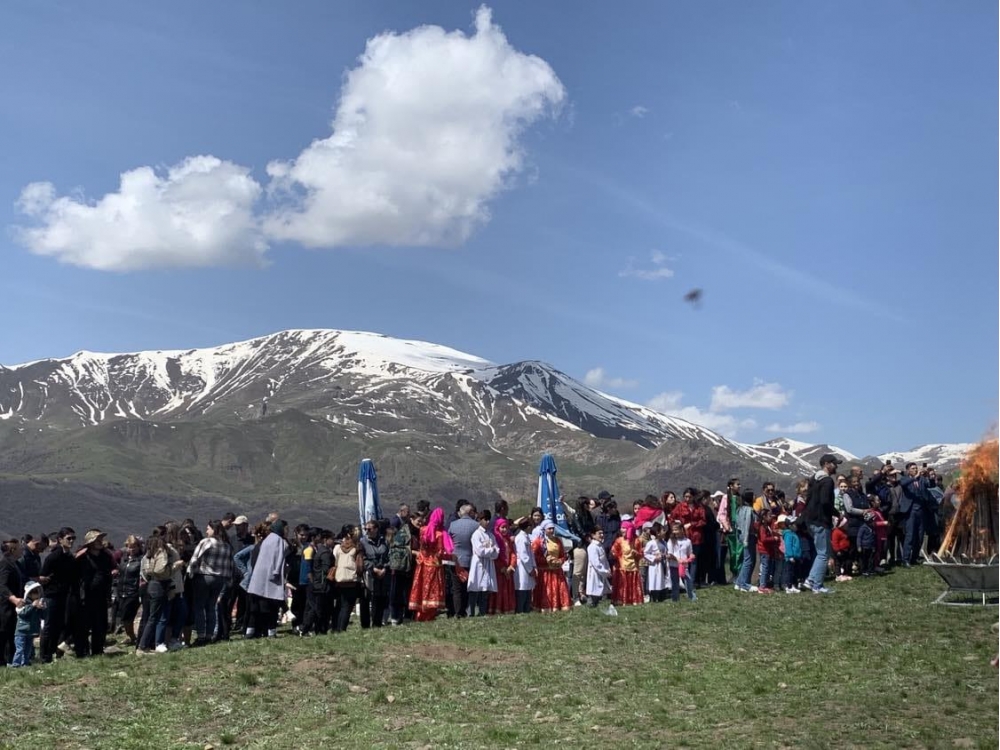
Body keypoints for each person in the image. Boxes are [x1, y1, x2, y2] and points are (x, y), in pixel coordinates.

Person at [186, 520, 233, 646]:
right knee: (211, 607)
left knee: (199, 607)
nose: (206, 531)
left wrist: (190, 573)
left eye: (208, 529)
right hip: (220, 579)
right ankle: (209, 635)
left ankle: (201, 635)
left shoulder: (206, 542)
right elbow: (230, 564)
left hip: (204, 576)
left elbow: (195, 558)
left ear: (213, 529)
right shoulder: (226, 545)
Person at [802, 454, 840, 594]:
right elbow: (825, 502)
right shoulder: (827, 481)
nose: (836, 466)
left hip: (811, 520)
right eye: (834, 464)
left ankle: (812, 580)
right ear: (826, 464)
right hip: (821, 520)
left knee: (820, 552)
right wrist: (836, 513)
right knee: (823, 554)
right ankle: (816, 585)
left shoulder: (814, 479)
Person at [137, 528, 180, 654]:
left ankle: (144, 645)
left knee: (152, 617)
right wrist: (174, 567)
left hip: (151, 584)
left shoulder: (148, 555)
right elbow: (160, 570)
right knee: (154, 617)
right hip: (159, 585)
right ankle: (143, 646)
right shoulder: (161, 552)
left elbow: (145, 572)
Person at [245, 520, 290, 639]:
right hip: (271, 577)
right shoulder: (279, 540)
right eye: (286, 528)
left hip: (259, 577)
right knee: (271, 607)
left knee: (255, 607)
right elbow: (279, 557)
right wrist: (276, 572)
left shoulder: (267, 539)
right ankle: (271, 632)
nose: (287, 531)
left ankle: (250, 631)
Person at [39, 528, 78, 663]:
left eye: (73, 538)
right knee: (49, 626)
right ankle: (44, 656)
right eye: (69, 538)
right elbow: (43, 576)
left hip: (64, 595)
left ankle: (54, 653)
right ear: (60, 540)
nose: (71, 541)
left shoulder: (69, 557)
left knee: (60, 625)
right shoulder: (53, 557)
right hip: (51, 595)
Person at [409, 508, 454, 622]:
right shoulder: (440, 534)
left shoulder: (423, 530)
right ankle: (430, 615)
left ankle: (420, 614)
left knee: (422, 588)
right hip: (434, 565)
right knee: (432, 590)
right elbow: (440, 552)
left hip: (422, 565)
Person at [74, 529, 114, 658]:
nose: (100, 542)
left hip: (101, 595)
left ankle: (98, 650)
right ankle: (83, 651)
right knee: (84, 625)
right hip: (86, 596)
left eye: (101, 539)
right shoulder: (82, 557)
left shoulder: (106, 556)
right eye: (97, 540)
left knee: (100, 624)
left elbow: (111, 571)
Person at [898, 463, 934, 567]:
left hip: (921, 510)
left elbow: (930, 485)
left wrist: (929, 476)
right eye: (913, 468)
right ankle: (905, 559)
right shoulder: (905, 479)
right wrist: (914, 478)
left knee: (920, 535)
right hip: (911, 511)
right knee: (910, 535)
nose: (915, 470)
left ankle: (914, 557)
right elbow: (903, 484)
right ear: (908, 470)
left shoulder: (921, 479)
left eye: (916, 468)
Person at [531, 521, 572, 612]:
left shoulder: (557, 540)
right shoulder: (539, 542)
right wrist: (545, 560)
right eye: (549, 529)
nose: (552, 530)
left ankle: (559, 606)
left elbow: (563, 555)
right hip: (545, 572)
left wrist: (560, 561)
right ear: (544, 530)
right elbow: (533, 556)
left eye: (553, 528)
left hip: (557, 571)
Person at [448, 503, 479, 618]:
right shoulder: (476, 525)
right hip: (470, 559)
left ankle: (457, 611)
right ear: (470, 512)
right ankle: (465, 610)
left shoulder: (453, 524)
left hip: (455, 559)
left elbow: (448, 540)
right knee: (467, 587)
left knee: (456, 588)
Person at [669, 488, 706, 586]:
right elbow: (671, 518)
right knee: (683, 559)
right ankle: (683, 580)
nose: (687, 499)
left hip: (696, 537)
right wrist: (678, 526)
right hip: (683, 536)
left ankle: (691, 581)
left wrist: (692, 524)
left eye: (689, 497)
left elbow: (703, 521)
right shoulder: (680, 507)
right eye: (686, 497)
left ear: (693, 497)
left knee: (693, 560)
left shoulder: (699, 507)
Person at [467, 510, 499, 617]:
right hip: (478, 564)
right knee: (475, 588)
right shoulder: (476, 534)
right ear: (480, 520)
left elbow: (497, 551)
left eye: (489, 519)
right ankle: (471, 612)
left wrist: (491, 552)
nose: (487, 522)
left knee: (485, 589)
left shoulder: (491, 535)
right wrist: (491, 550)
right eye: (485, 519)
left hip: (488, 564)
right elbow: (479, 551)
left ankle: (482, 611)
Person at [302, 529, 334, 635]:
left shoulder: (319, 550)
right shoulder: (324, 552)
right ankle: (309, 628)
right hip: (322, 584)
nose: (333, 541)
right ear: (325, 539)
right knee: (320, 609)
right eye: (331, 539)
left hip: (318, 583)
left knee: (317, 608)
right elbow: (325, 569)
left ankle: (313, 628)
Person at [114, 536, 144, 646]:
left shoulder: (141, 560)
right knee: (123, 616)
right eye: (129, 547)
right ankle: (130, 636)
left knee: (127, 616)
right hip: (122, 590)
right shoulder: (124, 559)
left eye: (134, 547)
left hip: (133, 591)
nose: (132, 549)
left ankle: (132, 636)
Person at [359, 521, 389, 628]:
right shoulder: (363, 542)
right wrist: (373, 568)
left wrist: (385, 568)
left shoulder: (384, 541)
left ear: (376, 529)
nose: (367, 531)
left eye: (369, 529)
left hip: (382, 572)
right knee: (366, 598)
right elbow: (362, 558)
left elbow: (388, 555)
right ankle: (365, 624)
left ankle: (377, 622)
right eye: (365, 529)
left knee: (380, 598)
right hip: (369, 573)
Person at [331, 526, 361, 633]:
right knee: (347, 606)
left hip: (339, 578)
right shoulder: (356, 548)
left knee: (339, 604)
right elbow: (359, 566)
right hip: (351, 579)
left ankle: (335, 627)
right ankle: (342, 628)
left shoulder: (339, 547)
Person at [0, 539, 25, 666]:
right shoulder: (5, 563)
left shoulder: (15, 564)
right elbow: (2, 585)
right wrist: (13, 598)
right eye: (19, 548)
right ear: (12, 549)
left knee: (11, 632)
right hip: (5, 606)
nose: (22, 550)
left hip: (14, 606)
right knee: (3, 632)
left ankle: (11, 660)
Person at [11, 580, 45, 667]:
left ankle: (25, 662)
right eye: (34, 592)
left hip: (30, 631)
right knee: (20, 649)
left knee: (28, 649)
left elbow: (42, 617)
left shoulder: (37, 604)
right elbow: (22, 613)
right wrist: (32, 606)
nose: (37, 594)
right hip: (21, 631)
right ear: (29, 593)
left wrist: (41, 608)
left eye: (38, 592)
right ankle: (16, 663)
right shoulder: (23, 602)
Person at [610, 521, 643, 606]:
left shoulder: (637, 541)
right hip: (623, 568)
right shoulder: (619, 540)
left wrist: (636, 553)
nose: (622, 530)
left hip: (633, 567)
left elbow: (641, 554)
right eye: (621, 528)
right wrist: (615, 555)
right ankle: (621, 600)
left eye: (624, 528)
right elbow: (614, 551)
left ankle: (633, 600)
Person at [489, 518, 516, 615]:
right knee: (499, 590)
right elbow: (495, 555)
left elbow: (513, 553)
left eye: (506, 527)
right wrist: (502, 567)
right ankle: (497, 609)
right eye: (502, 527)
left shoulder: (508, 539)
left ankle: (507, 609)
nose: (504, 530)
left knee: (507, 589)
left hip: (508, 569)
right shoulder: (495, 539)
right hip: (499, 571)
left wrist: (512, 565)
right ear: (497, 528)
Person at [665, 521, 696, 602]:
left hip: (684, 566)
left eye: (676, 529)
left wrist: (691, 556)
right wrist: (677, 559)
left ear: (682, 529)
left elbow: (690, 552)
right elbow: (670, 554)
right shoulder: (671, 541)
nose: (674, 532)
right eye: (673, 530)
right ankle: (675, 599)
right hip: (674, 565)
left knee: (688, 581)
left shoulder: (687, 541)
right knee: (675, 583)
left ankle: (692, 597)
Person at [734, 491, 757, 593]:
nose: (755, 496)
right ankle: (744, 584)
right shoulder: (749, 510)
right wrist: (746, 539)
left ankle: (739, 582)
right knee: (749, 560)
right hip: (749, 536)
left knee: (746, 560)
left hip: (743, 536)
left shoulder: (740, 509)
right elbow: (747, 525)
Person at [585, 528, 613, 610]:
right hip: (595, 573)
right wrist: (604, 571)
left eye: (602, 533)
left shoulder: (600, 545)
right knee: (594, 591)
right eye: (599, 533)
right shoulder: (592, 547)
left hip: (602, 573)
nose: (602, 535)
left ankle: (598, 606)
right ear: (593, 535)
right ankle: (591, 606)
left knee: (601, 591)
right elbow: (596, 563)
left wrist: (607, 569)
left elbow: (604, 560)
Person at [512, 517, 536, 614]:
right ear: (528, 527)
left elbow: (530, 554)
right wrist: (530, 569)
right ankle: (520, 610)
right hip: (522, 567)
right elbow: (523, 555)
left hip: (527, 567)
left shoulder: (526, 537)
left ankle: (526, 610)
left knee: (527, 588)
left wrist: (533, 566)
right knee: (522, 588)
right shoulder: (520, 538)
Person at [755, 509, 779, 594]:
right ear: (764, 517)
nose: (771, 517)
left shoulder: (767, 526)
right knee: (765, 568)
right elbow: (763, 539)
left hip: (767, 550)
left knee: (766, 568)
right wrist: (773, 538)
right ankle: (762, 586)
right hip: (764, 550)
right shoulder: (762, 527)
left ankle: (764, 585)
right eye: (769, 515)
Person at [643, 523, 668, 602]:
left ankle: (662, 594)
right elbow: (645, 553)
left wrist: (665, 555)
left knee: (662, 579)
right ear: (658, 533)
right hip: (655, 565)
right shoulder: (651, 543)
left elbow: (666, 552)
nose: (664, 532)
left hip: (663, 564)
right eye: (663, 530)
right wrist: (654, 558)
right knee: (655, 580)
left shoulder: (664, 542)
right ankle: (654, 596)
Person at [777, 515, 801, 593]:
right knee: (789, 572)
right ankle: (788, 586)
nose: (796, 526)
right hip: (790, 557)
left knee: (794, 572)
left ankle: (793, 585)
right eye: (795, 524)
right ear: (790, 525)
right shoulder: (788, 534)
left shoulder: (793, 533)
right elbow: (788, 546)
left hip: (795, 557)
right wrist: (790, 556)